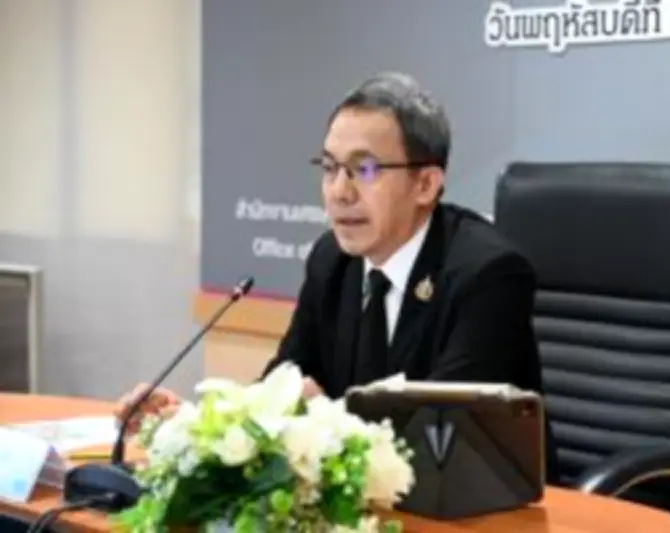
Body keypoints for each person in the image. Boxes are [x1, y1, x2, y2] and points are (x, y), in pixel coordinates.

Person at [115, 72, 558, 482]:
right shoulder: (332, 261)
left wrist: (323, 417)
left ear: (425, 185)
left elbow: (441, 440)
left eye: (365, 170)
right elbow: (281, 388)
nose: (340, 192)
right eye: (330, 168)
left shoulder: (487, 275)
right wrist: (196, 427)